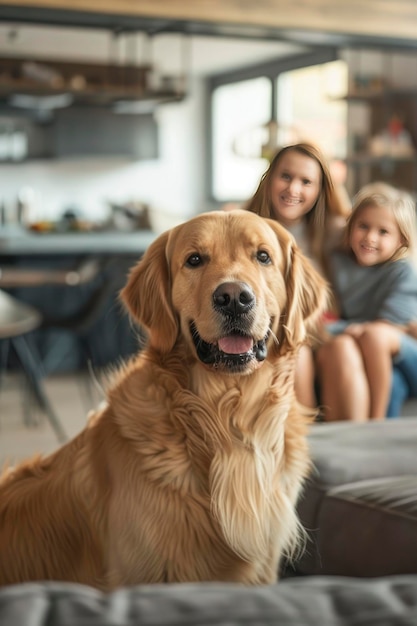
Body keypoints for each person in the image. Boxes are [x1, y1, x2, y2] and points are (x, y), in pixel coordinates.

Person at [243, 142, 351, 408]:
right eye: (286, 176)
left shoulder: (334, 231)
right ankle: (301, 440)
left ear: (319, 190)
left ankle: (352, 444)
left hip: (323, 329)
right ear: (269, 179)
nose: (293, 189)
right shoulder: (242, 228)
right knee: (295, 353)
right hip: (272, 331)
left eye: (306, 182)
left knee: (344, 349)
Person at [316, 182, 417, 421]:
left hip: (406, 352)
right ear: (350, 228)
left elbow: (388, 328)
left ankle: (375, 424)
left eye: (383, 232)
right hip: (377, 356)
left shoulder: (402, 272)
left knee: (374, 335)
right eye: (363, 226)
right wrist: (346, 328)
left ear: (401, 240)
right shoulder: (338, 263)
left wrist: (348, 329)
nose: (370, 237)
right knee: (393, 384)